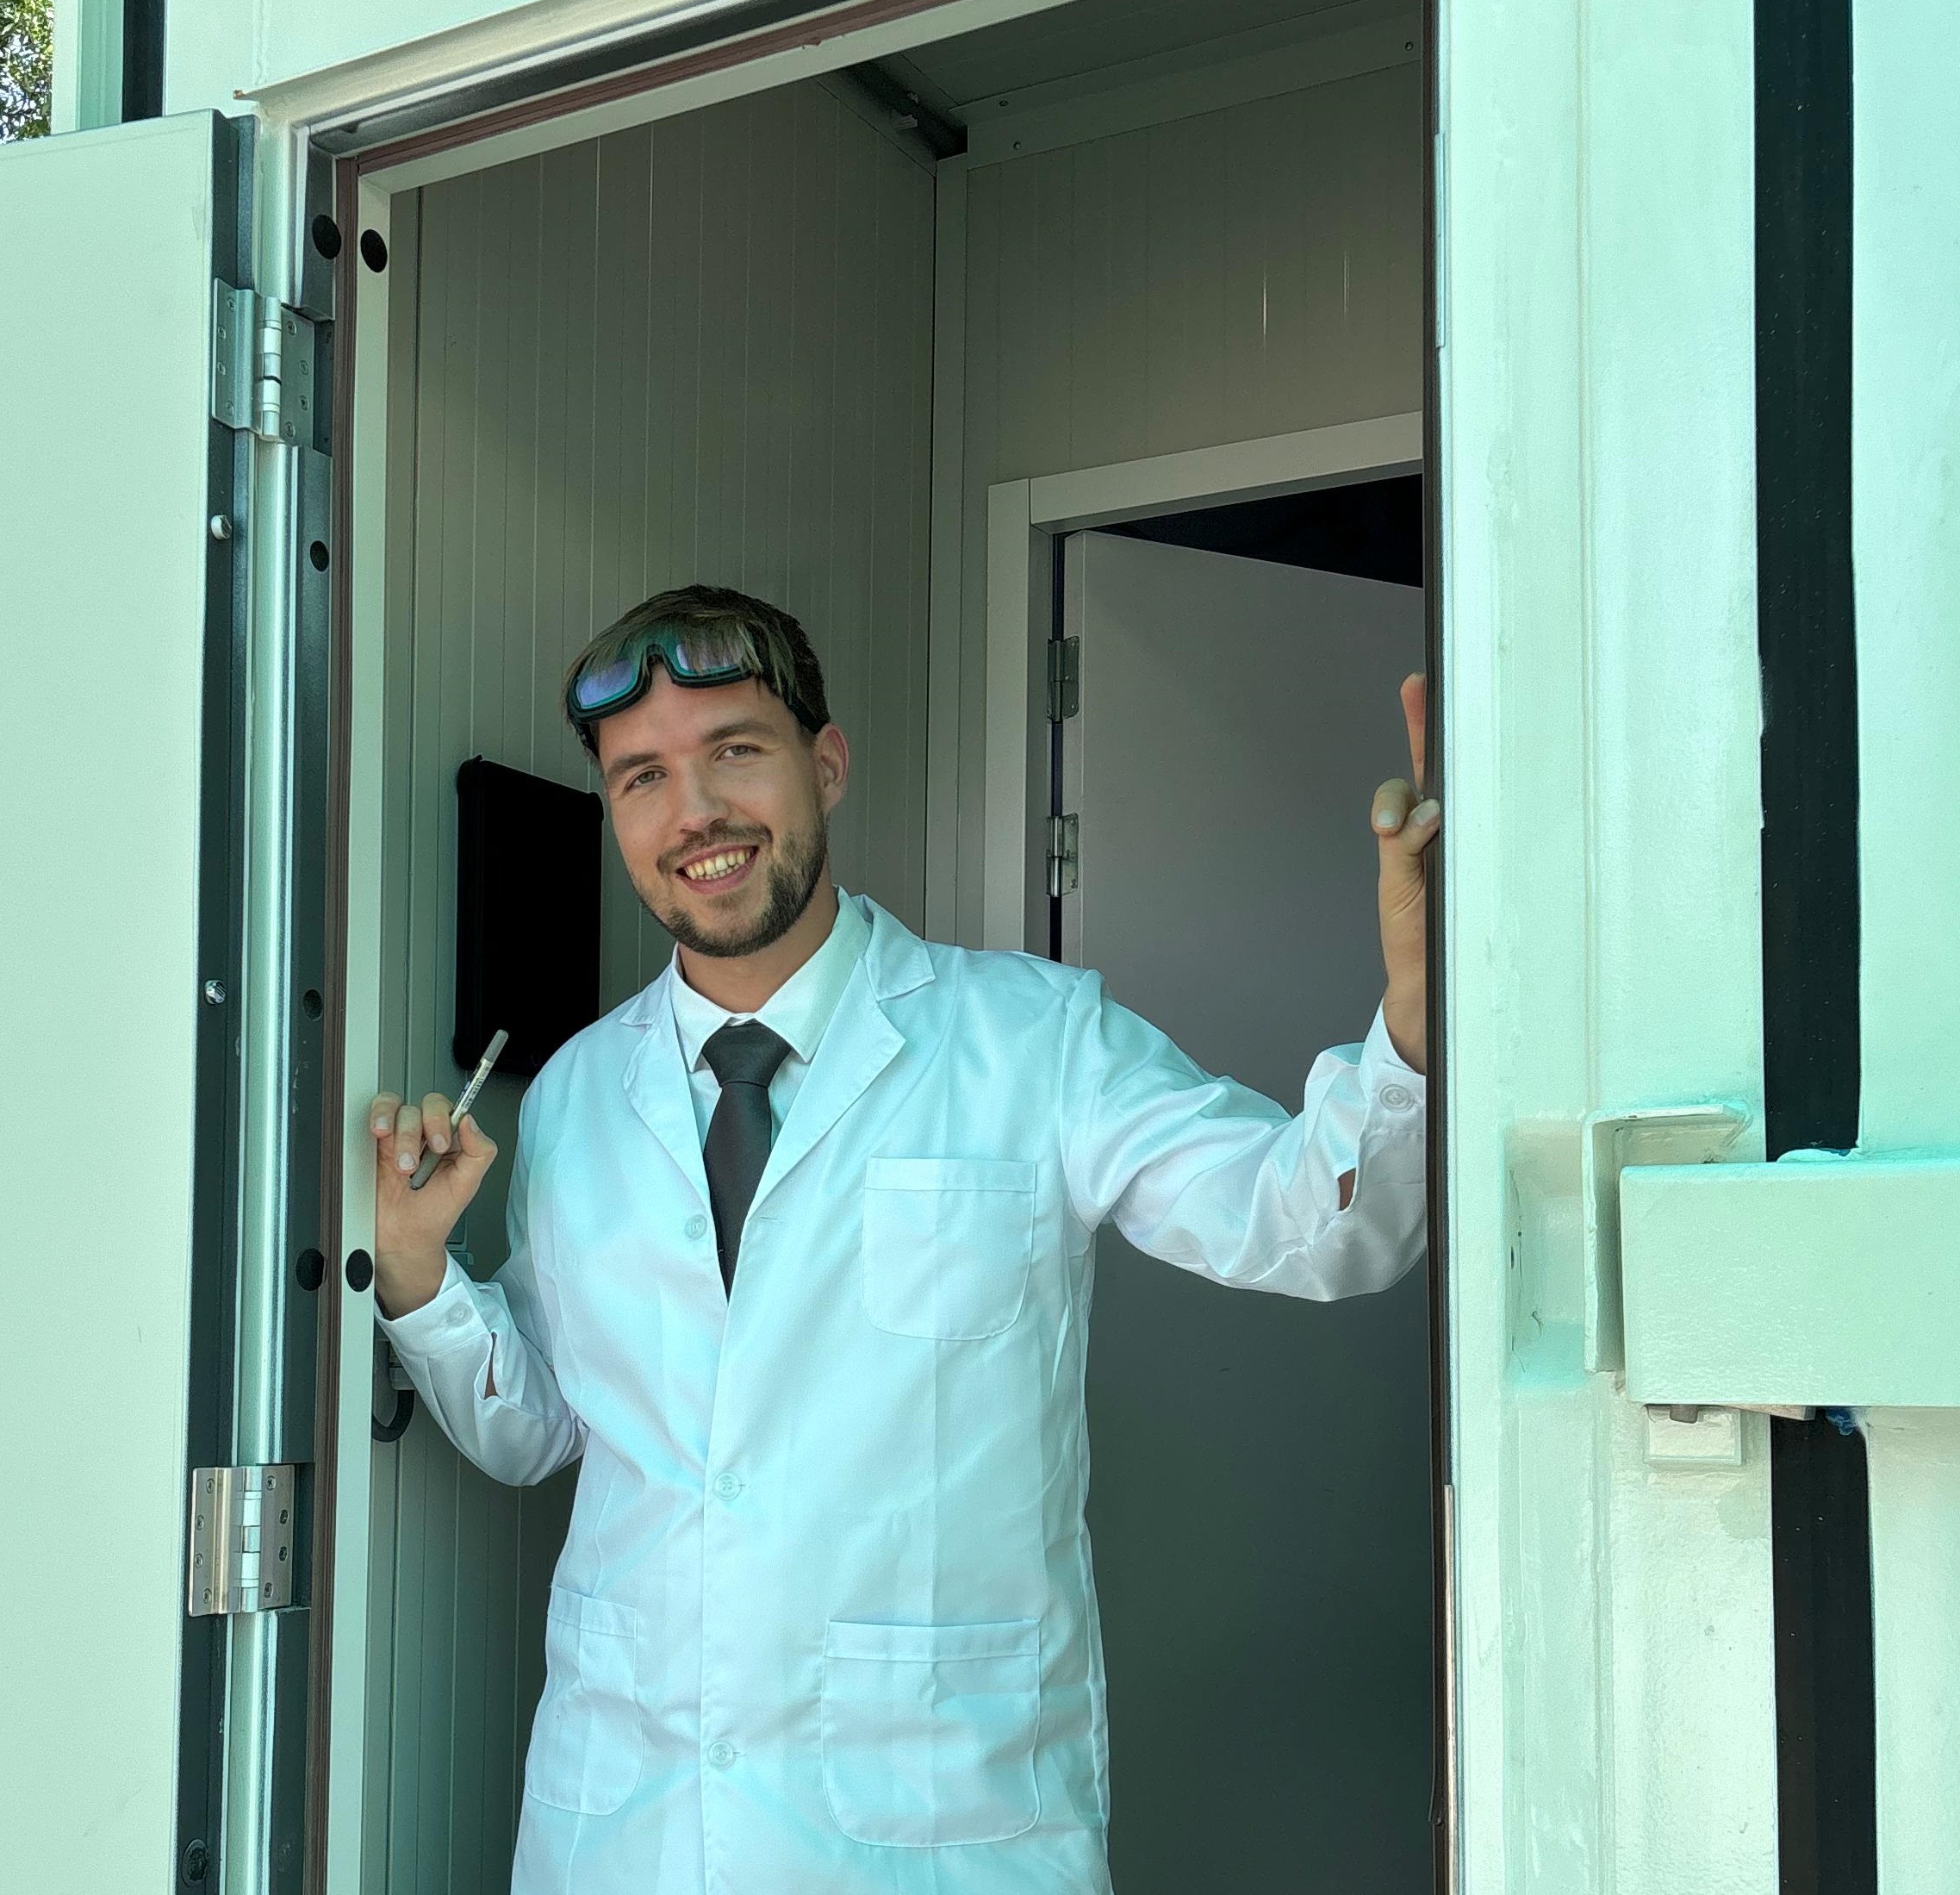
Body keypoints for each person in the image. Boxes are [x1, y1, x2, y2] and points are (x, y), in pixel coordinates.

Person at [365, 583, 1439, 1894]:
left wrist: (1416, 1018)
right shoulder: (583, 1092)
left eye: (736, 753)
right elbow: (543, 1430)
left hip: (934, 1833)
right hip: (627, 1827)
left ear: (826, 765)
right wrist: (420, 1271)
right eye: (643, 777)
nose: (694, 813)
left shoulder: (1034, 1040)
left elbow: (1313, 1226)